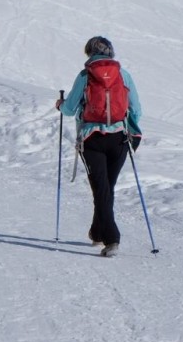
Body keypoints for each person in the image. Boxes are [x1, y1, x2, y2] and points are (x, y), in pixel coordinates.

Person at [58, 36, 143, 257]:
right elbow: (137, 110)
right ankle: (97, 232)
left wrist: (60, 104)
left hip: (92, 138)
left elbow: (68, 109)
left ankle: (112, 239)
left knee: (101, 189)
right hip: (120, 139)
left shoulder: (86, 75)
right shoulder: (123, 75)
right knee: (106, 188)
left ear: (89, 53)